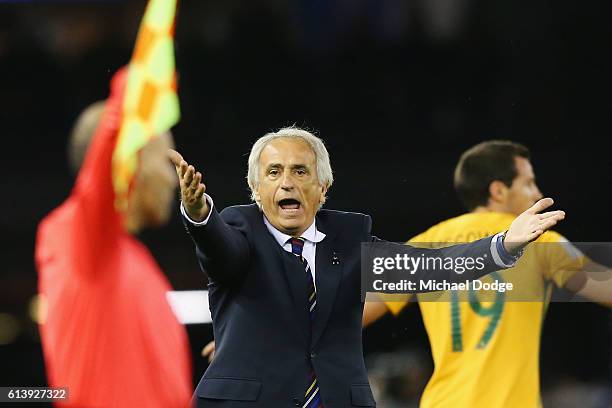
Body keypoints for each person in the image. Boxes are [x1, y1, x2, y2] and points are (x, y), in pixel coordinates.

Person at [169, 127, 564, 407]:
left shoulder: (349, 240)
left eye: (300, 171)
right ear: (257, 191)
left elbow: (431, 267)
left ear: (323, 188)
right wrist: (199, 213)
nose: (286, 183)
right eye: (274, 172)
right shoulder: (240, 231)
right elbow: (219, 249)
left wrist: (504, 245)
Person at [363, 140, 611, 408]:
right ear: (498, 191)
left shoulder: (424, 243)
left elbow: (350, 316)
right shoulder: (540, 242)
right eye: (528, 183)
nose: (537, 192)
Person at [35, 69, 192, 407]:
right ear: (128, 161)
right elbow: (104, 162)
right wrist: (135, 92)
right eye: (163, 159)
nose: (172, 178)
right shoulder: (71, 235)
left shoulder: (135, 259)